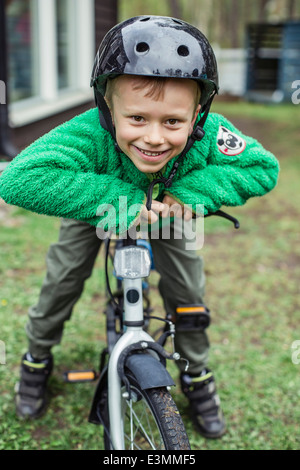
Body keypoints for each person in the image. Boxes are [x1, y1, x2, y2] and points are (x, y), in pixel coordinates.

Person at [0, 16, 279, 439]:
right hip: (96, 206)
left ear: (198, 114)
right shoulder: (88, 132)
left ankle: (197, 373)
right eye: (137, 119)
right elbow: (18, 178)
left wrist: (192, 191)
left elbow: (261, 166)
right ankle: (37, 358)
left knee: (187, 290)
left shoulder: (211, 133)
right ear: (107, 108)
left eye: (173, 122)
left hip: (170, 212)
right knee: (63, 279)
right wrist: (117, 200)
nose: (154, 138)